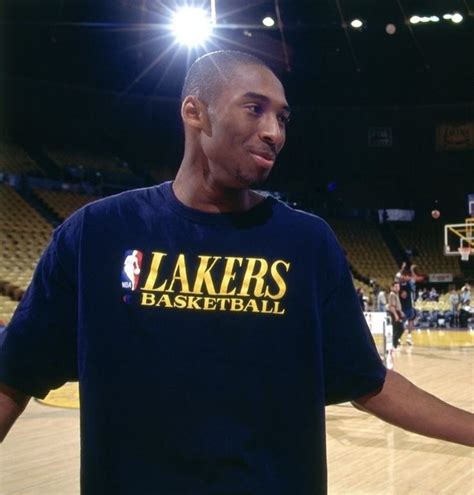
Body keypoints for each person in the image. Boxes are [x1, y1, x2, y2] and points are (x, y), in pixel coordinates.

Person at [0, 50, 472, 495]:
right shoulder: (97, 234)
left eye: (283, 117)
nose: (275, 132)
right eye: (255, 109)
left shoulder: (307, 243)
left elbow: (369, 382)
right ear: (194, 112)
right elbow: (13, 375)